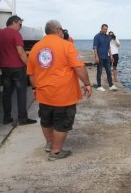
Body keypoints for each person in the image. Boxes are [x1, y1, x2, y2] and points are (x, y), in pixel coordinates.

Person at [27, 20, 92, 161]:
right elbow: (79, 67)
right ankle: (56, 151)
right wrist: (87, 83)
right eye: (62, 30)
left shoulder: (36, 48)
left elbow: (31, 74)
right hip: (63, 94)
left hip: (44, 94)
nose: (62, 32)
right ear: (57, 29)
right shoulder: (67, 46)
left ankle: (50, 144)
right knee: (62, 123)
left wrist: (34, 88)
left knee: (46, 120)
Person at [0, 15, 37, 125]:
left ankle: (6, 118)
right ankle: (23, 118)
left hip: (5, 68)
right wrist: (29, 66)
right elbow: (21, 52)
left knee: (7, 94)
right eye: (20, 24)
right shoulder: (16, 34)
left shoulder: (0, 34)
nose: (20, 27)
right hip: (17, 67)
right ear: (14, 22)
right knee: (21, 93)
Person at [93, 24, 117, 91]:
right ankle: (99, 86)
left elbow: (109, 48)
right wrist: (96, 57)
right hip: (100, 56)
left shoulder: (107, 37)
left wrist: (111, 56)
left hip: (106, 57)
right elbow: (95, 48)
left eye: (106, 29)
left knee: (109, 71)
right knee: (99, 71)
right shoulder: (97, 37)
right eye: (104, 29)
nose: (105, 30)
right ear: (101, 28)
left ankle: (111, 85)